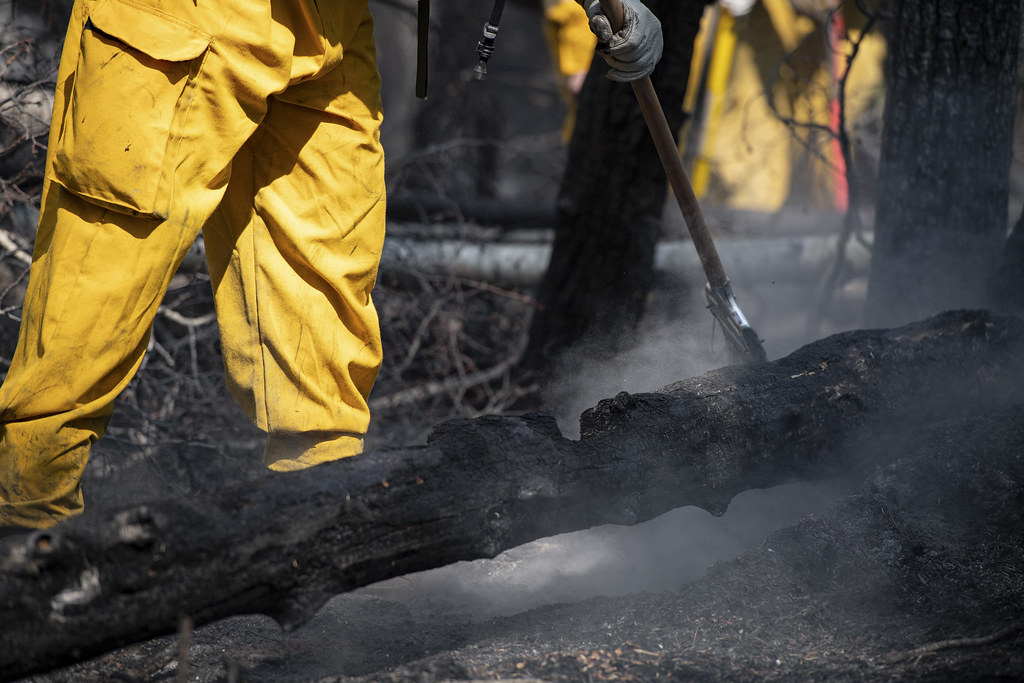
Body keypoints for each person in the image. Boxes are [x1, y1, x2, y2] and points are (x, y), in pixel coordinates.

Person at [0, 0, 662, 533]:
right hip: (183, 17)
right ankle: (23, 545)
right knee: (93, 305)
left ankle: (317, 547)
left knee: (322, 314)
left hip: (331, 27)